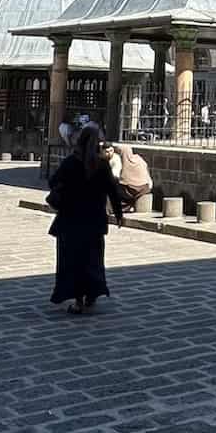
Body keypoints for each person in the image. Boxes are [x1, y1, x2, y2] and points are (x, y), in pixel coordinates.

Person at [47, 124, 126, 315]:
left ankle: (78, 301)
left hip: (71, 220)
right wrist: (119, 215)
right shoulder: (102, 165)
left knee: (72, 261)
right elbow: (113, 192)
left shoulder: (71, 162)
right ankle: (91, 294)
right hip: (94, 221)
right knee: (93, 260)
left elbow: (53, 181)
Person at [105, 141, 153, 208]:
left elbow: (123, 179)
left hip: (132, 189)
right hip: (145, 188)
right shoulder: (139, 158)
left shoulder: (125, 161)